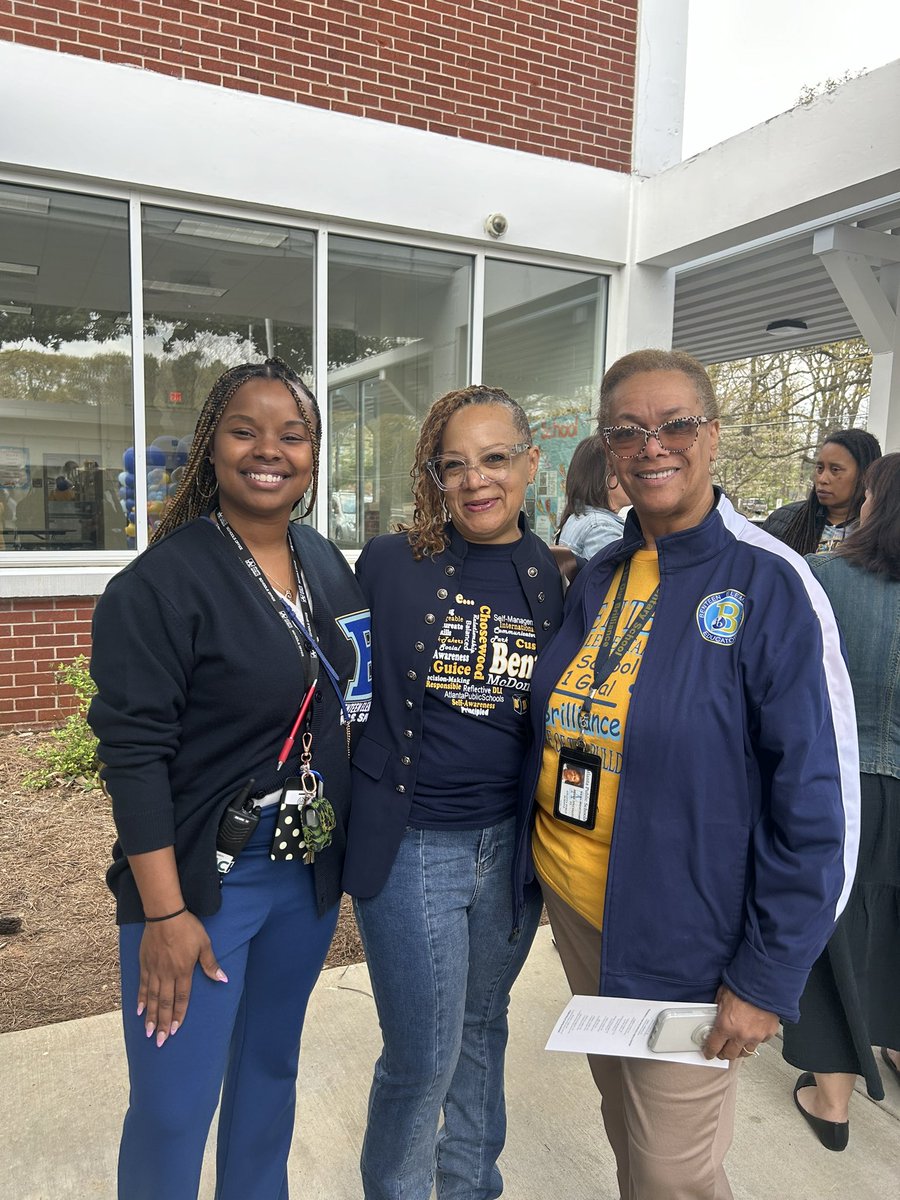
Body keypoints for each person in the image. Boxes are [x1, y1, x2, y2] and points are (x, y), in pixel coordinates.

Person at [513, 349, 860, 1200]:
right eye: (627, 430)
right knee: (627, 1124)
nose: (651, 445)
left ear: (712, 436)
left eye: (675, 424)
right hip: (582, 906)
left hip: (687, 936)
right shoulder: (599, 577)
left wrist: (766, 977)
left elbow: (817, 802)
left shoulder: (769, 585)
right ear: (607, 448)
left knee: (677, 1172)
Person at [88, 358, 371, 1200]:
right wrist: (164, 913)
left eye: (293, 435)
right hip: (199, 887)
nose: (269, 451)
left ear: (314, 456)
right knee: (174, 1110)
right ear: (211, 445)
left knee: (268, 1080)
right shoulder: (161, 584)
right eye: (245, 430)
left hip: (304, 877)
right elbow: (132, 757)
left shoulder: (324, 561)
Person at [343, 384, 565, 1200]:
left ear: (529, 463)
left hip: (509, 849)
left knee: (481, 1031)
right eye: (455, 465)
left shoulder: (552, 576)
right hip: (414, 848)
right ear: (434, 476)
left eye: (496, 459)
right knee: (422, 1055)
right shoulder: (389, 564)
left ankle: (472, 1185)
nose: (478, 481)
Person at [783, 451, 900, 1151]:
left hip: (844, 782)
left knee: (836, 928)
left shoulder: (825, 580)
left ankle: (832, 1099)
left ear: (871, 505)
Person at [762, 428, 881, 554]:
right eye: (820, 468)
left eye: (835, 470)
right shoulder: (782, 521)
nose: (822, 479)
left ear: (865, 474)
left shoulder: (882, 531)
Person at [556, 432, 628, 558]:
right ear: (606, 475)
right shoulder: (602, 528)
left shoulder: (579, 518)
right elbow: (611, 577)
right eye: (624, 470)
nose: (631, 479)